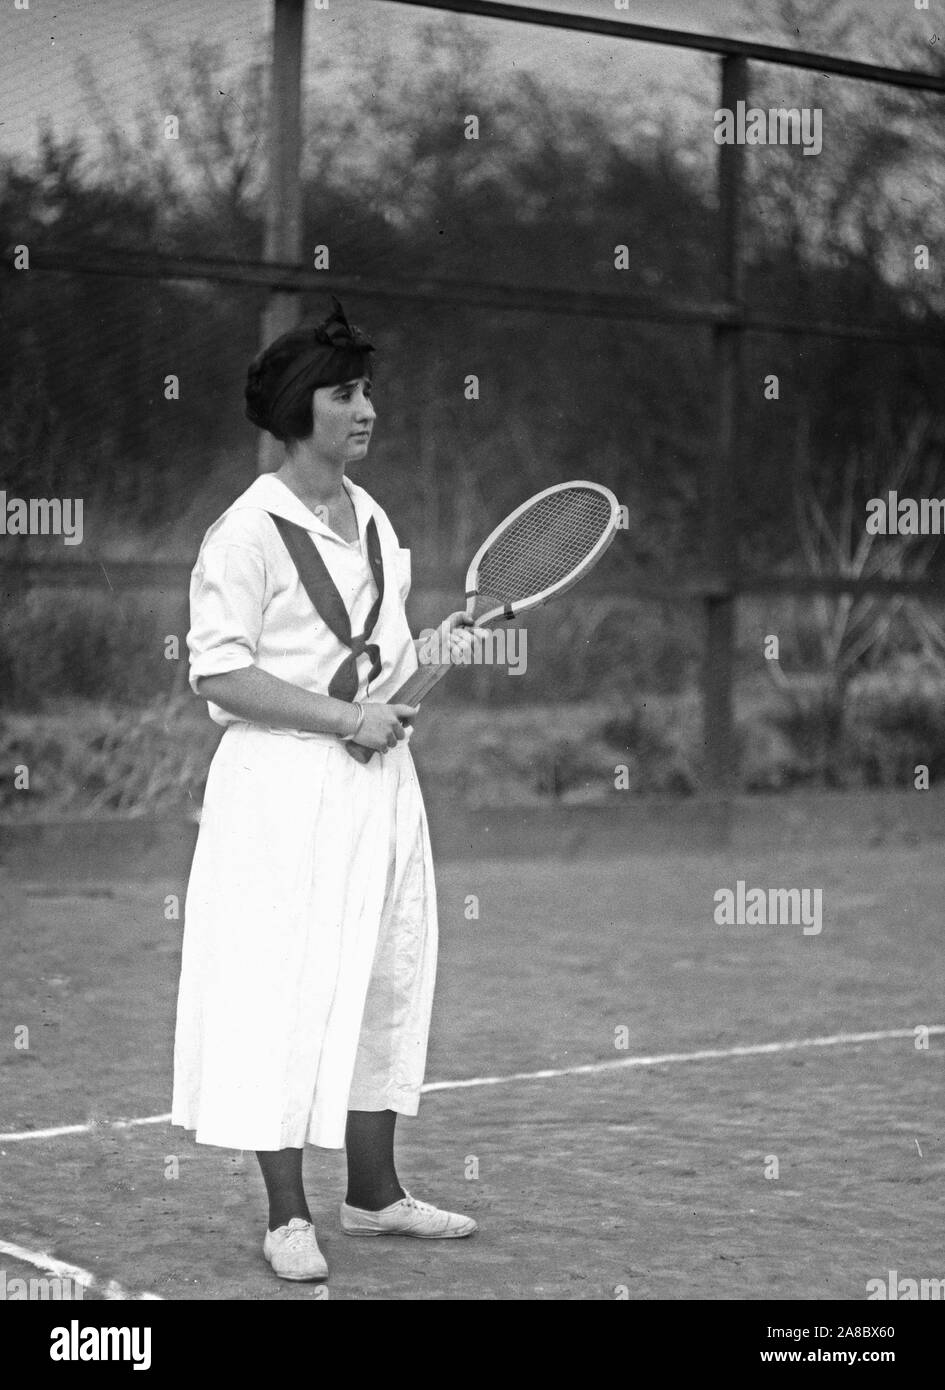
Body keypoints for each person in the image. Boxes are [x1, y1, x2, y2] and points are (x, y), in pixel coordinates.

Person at [171, 297, 484, 1282]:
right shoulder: (245, 533)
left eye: (368, 391)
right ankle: (285, 1215)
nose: (367, 409)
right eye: (346, 393)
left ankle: (377, 1192)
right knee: (284, 985)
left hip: (380, 789)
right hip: (279, 790)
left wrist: (430, 664)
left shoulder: (378, 521)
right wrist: (349, 720)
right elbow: (218, 674)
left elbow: (381, 676)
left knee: (389, 970)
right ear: (302, 407)